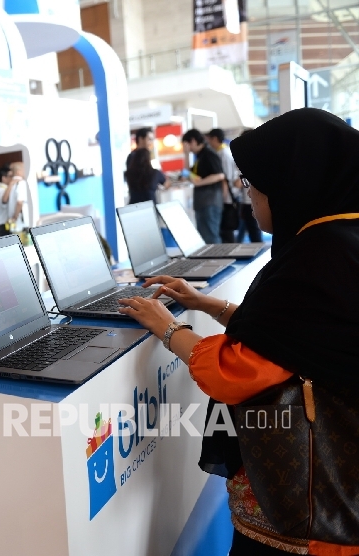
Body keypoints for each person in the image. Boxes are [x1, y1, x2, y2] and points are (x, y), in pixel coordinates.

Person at [118, 108, 359, 555]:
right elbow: (293, 338)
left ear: (291, 183)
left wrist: (168, 328)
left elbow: (235, 371)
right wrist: (208, 304)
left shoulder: (319, 262)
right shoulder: (340, 239)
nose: (246, 196)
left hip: (308, 514)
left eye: (251, 184)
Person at [182, 129, 225, 244]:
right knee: (205, 238)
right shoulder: (199, 157)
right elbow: (187, 174)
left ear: (193, 141)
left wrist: (199, 183)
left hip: (210, 201)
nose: (187, 148)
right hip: (203, 202)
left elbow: (220, 175)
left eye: (187, 145)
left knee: (211, 237)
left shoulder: (209, 154)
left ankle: (219, 261)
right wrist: (186, 155)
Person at [206, 129, 242, 243]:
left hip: (227, 196)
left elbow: (225, 178)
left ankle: (231, 253)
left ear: (215, 139)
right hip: (227, 195)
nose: (209, 143)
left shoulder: (223, 154)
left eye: (210, 139)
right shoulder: (223, 152)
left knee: (227, 228)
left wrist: (223, 198)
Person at [2, 161, 30, 234]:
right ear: (18, 172)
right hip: (20, 223)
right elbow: (19, 202)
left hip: (12, 224)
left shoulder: (11, 185)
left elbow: (4, 200)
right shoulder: (21, 183)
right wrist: (15, 217)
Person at [0, 165, 13, 236]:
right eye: (10, 176)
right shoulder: (0, 190)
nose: (12, 178)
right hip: (3, 224)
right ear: (4, 178)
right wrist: (12, 184)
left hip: (2, 223)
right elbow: (4, 200)